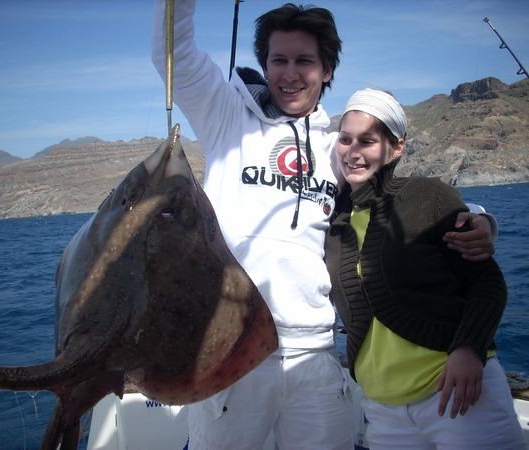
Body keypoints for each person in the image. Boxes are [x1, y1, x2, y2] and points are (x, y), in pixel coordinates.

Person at [152, 2, 495, 449]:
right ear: (264, 65)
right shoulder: (224, 116)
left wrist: (478, 217)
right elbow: (172, 52)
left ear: (327, 69)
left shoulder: (336, 149)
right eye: (279, 60)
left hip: (314, 353)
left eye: (305, 61)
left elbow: (397, 198)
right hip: (229, 347)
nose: (290, 73)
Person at [325, 88, 525, 450]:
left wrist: (469, 348)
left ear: (397, 147)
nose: (353, 152)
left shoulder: (427, 195)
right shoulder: (334, 219)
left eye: (367, 141)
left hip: (456, 396)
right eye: (345, 139)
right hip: (381, 409)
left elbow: (488, 283)